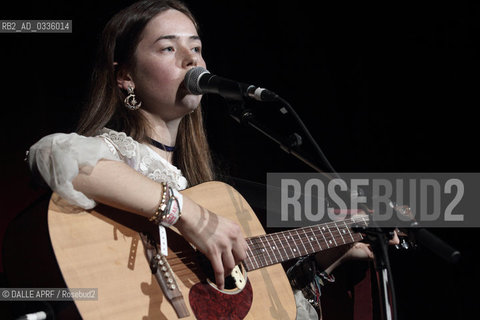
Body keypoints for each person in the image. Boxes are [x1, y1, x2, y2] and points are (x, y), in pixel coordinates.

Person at [27, 1, 396, 319]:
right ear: (125, 77)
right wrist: (188, 216)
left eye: (197, 47)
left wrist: (326, 253)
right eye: (168, 48)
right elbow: (53, 154)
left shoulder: (208, 191)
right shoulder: (116, 156)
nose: (191, 58)